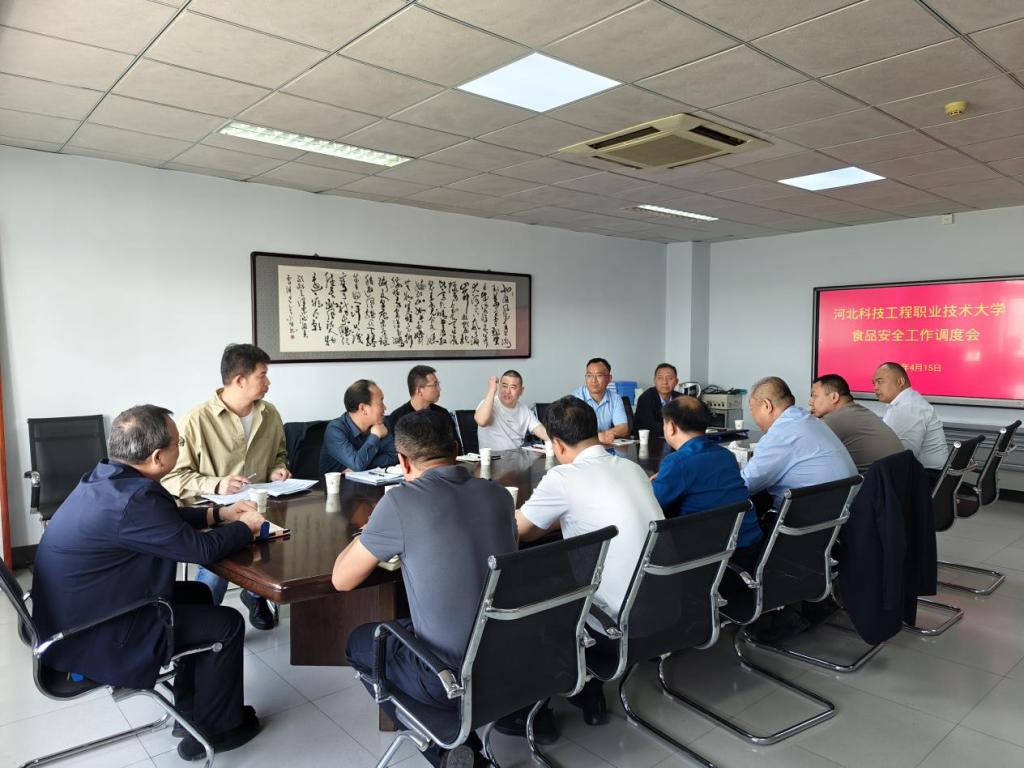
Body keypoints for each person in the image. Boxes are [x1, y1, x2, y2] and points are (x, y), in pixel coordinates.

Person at [31, 405, 266, 761]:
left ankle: (192, 712)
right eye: (178, 444)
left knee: (198, 593)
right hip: (92, 635)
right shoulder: (137, 498)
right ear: (157, 457)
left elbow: (163, 520)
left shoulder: (106, 478)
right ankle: (218, 729)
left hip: (74, 616)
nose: (180, 449)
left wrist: (218, 513)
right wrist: (245, 528)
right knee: (228, 624)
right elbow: (200, 550)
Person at [333, 410, 516, 768]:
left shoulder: (400, 502)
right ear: (456, 448)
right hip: (512, 660)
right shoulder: (498, 495)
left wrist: (370, 532)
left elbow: (342, 579)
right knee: (409, 623)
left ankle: (447, 750)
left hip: (448, 679)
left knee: (360, 643)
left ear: (402, 461)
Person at [516, 396, 663, 727]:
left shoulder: (563, 478)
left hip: (616, 625)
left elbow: (521, 531)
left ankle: (572, 690)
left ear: (556, 444)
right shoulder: (632, 468)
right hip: (667, 608)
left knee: (534, 588)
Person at [162, 343, 290, 631]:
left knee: (279, 546)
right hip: (213, 515)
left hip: (261, 508)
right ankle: (203, 628)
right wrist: (216, 484)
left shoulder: (269, 414)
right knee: (217, 570)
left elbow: (280, 454)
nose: (268, 382)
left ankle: (255, 594)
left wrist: (277, 469)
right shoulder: (196, 420)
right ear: (240, 380)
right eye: (262, 375)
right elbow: (172, 477)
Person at [652, 396, 760, 563]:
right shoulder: (726, 455)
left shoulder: (677, 462)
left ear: (671, 427)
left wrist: (650, 483)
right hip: (750, 548)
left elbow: (653, 503)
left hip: (710, 556)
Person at [742, 376, 857, 514]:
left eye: (752, 409)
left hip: (805, 519)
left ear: (767, 406)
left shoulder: (780, 434)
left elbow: (745, 485)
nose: (753, 416)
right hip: (841, 514)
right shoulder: (810, 420)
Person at [809, 373, 905, 472]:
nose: (810, 402)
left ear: (834, 397)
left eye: (814, 396)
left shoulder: (834, 420)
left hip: (873, 480)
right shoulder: (858, 411)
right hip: (896, 477)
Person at [872, 362, 949, 477]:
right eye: (874, 383)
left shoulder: (909, 407)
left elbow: (903, 456)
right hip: (925, 474)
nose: (875, 387)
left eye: (880, 382)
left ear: (900, 382)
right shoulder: (906, 402)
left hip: (927, 477)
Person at [319, 379, 398, 474]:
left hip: (372, 480)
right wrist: (375, 436)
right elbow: (357, 465)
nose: (385, 407)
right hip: (338, 483)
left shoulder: (381, 422)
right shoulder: (335, 430)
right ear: (363, 408)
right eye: (380, 402)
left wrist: (361, 465)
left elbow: (394, 457)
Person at [388, 364, 462, 453]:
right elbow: (397, 453)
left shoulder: (442, 413)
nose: (439, 389)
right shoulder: (397, 418)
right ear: (419, 390)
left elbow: (456, 447)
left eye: (438, 384)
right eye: (435, 385)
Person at [474, 370, 548, 450]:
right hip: (493, 457)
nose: (507, 391)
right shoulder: (487, 404)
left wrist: (556, 442)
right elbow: (482, 421)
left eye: (513, 387)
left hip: (517, 455)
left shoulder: (524, 410)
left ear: (521, 391)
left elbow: (542, 432)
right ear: (499, 386)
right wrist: (492, 390)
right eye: (504, 386)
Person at [569, 357, 629, 444]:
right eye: (589, 375)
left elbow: (623, 428)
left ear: (609, 378)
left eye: (599, 375)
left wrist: (604, 435)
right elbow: (573, 430)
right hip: (582, 447)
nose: (593, 380)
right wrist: (598, 437)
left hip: (604, 447)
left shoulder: (615, 398)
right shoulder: (576, 397)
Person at [634, 363, 683, 439]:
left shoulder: (681, 399)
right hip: (650, 441)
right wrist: (680, 429)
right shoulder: (646, 398)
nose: (665, 382)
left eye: (669, 378)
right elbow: (651, 426)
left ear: (676, 381)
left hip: (674, 439)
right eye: (660, 378)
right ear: (654, 381)